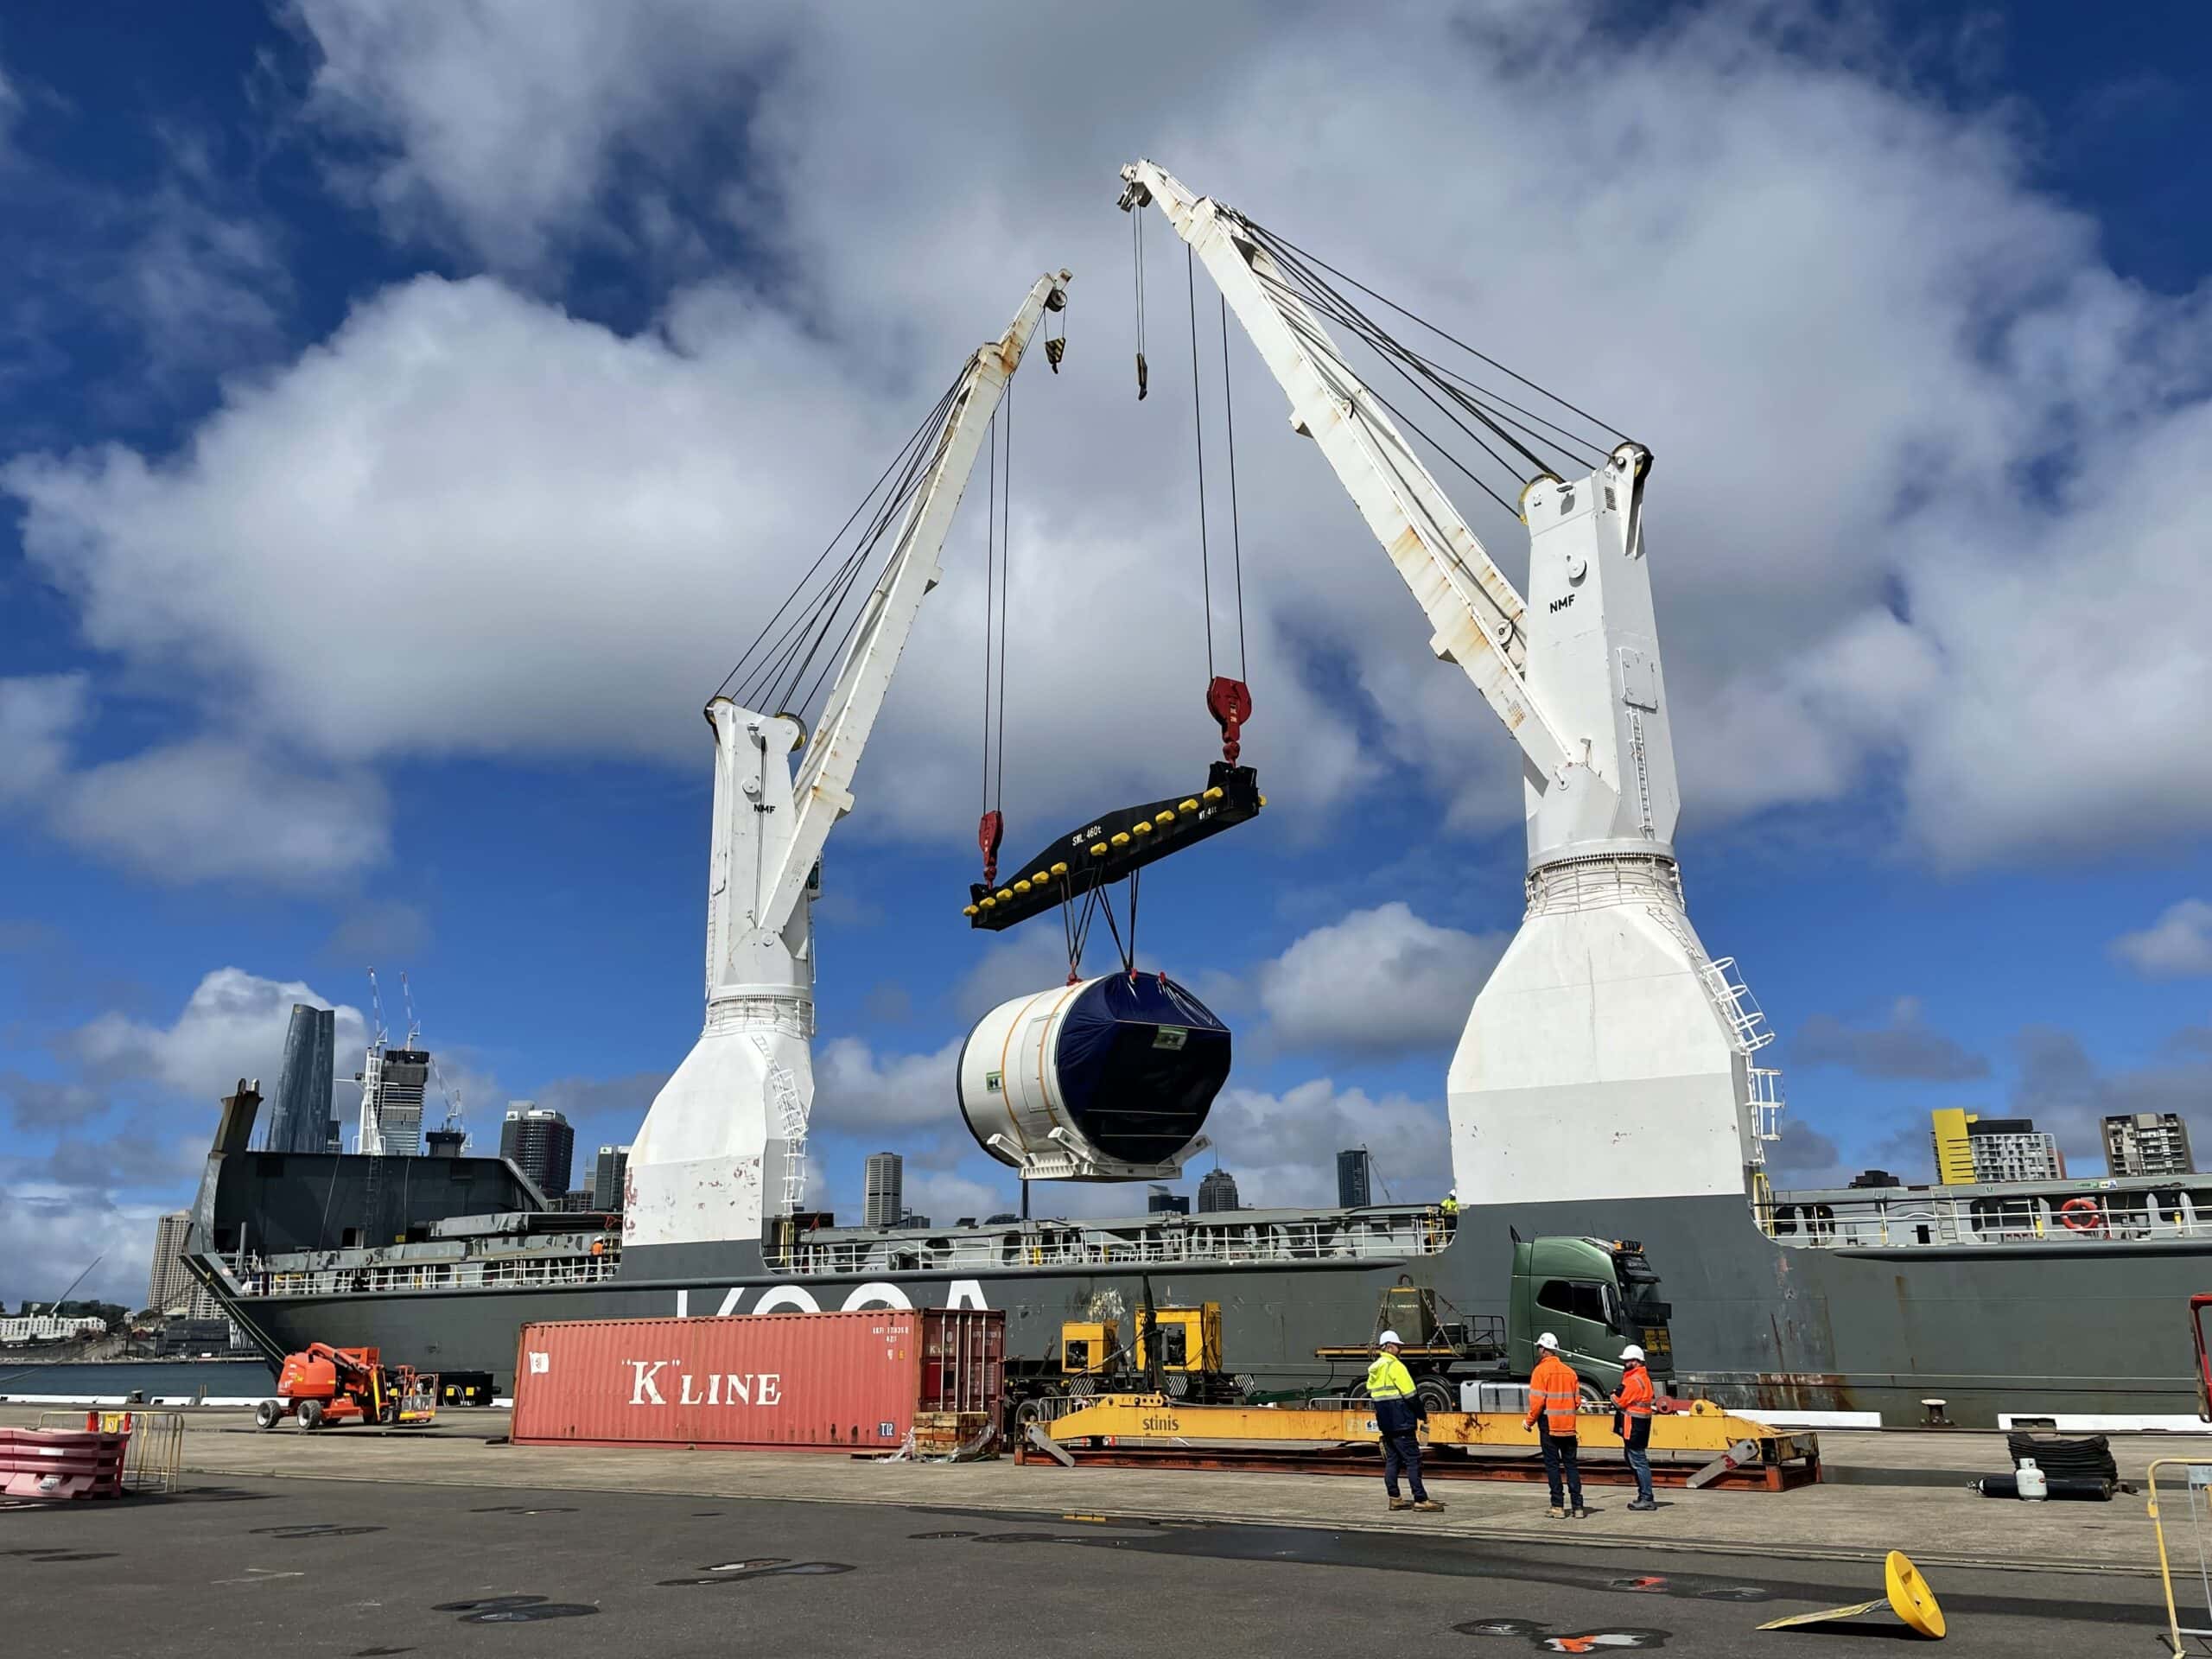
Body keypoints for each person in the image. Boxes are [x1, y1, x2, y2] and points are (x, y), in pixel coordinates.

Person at [1368, 1330, 1445, 1514]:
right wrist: (1422, 1415)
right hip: (1402, 1422)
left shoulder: (1376, 1369)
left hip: (1386, 1424)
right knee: (1413, 1460)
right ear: (1388, 1346)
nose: (1400, 1348)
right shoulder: (1396, 1367)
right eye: (1397, 1345)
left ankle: (1395, 1499)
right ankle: (1420, 1499)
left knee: (1393, 1460)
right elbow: (1411, 1396)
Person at [1523, 1331, 1586, 1519]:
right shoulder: (1570, 1372)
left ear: (1543, 1350)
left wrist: (1528, 1422)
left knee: (1552, 1466)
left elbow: (1537, 1403)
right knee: (1571, 1466)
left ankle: (1558, 1506)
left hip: (1548, 1426)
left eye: (1539, 1348)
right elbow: (1576, 1402)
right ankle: (1578, 1507)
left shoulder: (1540, 1371)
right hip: (1568, 1426)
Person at [1611, 1343, 1663, 1511]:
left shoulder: (1633, 1380)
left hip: (1633, 1425)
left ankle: (1646, 1497)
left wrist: (1613, 1394)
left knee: (1638, 1461)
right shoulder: (1643, 1377)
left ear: (1636, 1361)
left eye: (1628, 1360)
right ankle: (1644, 1495)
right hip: (1640, 1424)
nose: (1625, 1363)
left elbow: (1619, 1402)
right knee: (1634, 1458)